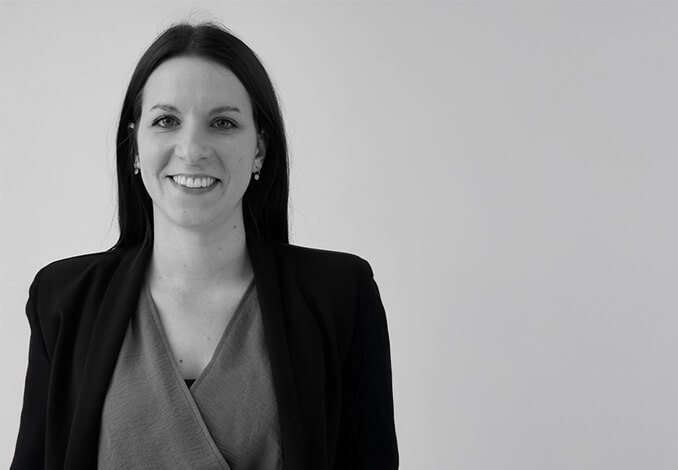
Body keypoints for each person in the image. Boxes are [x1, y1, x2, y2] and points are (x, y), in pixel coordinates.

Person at [11, 22, 398, 469]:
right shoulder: (63, 300)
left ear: (259, 149)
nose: (192, 149)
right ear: (134, 147)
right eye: (166, 121)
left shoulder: (341, 297)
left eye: (222, 123)